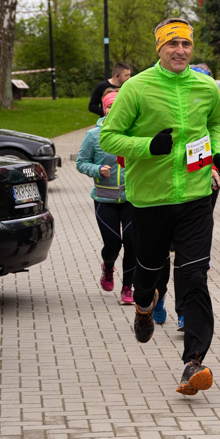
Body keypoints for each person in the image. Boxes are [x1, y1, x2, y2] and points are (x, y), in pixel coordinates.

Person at [100, 17, 220, 396]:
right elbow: (110, 135)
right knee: (149, 274)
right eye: (172, 44)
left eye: (186, 45)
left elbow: (214, 127)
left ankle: (194, 361)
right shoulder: (138, 88)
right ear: (159, 48)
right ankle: (144, 307)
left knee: (193, 277)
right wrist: (147, 147)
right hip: (150, 200)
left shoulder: (206, 86)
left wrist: (219, 155)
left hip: (194, 197)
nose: (179, 51)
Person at [76, 88, 135, 305]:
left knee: (132, 243)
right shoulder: (93, 136)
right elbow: (81, 163)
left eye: (117, 105)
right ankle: (108, 266)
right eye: (110, 105)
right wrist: (97, 169)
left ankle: (128, 288)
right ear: (104, 109)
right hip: (104, 199)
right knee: (113, 245)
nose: (114, 109)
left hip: (132, 198)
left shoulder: (132, 132)